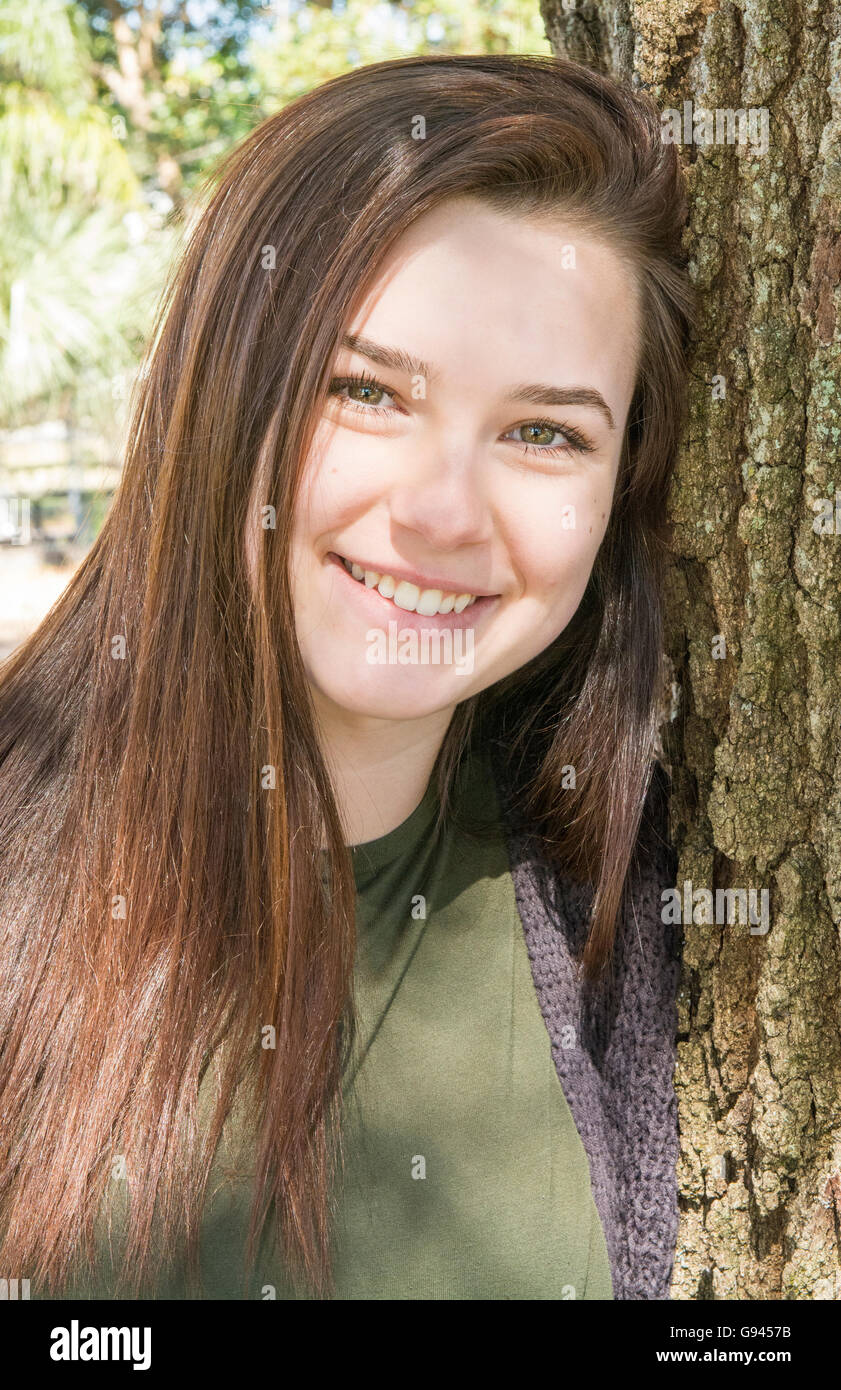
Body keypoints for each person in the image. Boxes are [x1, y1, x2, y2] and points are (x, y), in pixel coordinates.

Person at [0, 52, 694, 1301]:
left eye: (545, 432)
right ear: (226, 394)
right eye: (366, 391)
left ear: (616, 497)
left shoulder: (628, 910)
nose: (440, 513)